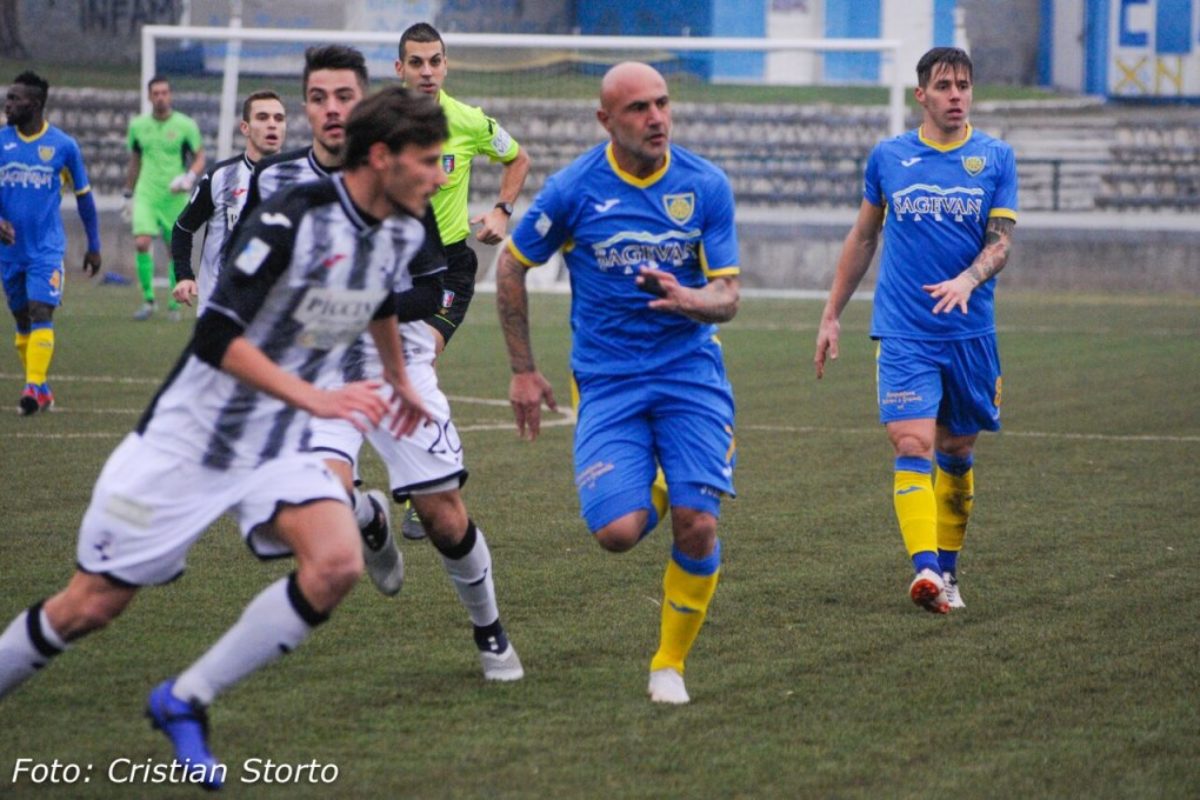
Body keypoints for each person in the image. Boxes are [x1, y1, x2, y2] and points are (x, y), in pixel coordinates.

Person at [0, 85, 447, 789]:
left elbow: (383, 297)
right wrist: (320, 396)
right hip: (189, 443)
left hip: (277, 442)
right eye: (429, 161)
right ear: (384, 157)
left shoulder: (403, 228)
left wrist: (399, 380)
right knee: (89, 606)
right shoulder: (292, 215)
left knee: (335, 565)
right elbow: (215, 336)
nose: (440, 175)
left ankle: (184, 699)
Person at [248, 45, 524, 681]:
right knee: (319, 501)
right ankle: (366, 515)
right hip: (315, 369)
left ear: (367, 99)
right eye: (320, 98)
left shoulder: (403, 179)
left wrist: (356, 305)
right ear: (306, 106)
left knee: (442, 515)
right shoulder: (278, 182)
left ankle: (490, 632)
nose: (334, 109)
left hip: (396, 356)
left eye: (346, 96)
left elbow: (429, 290)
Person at [496, 61, 741, 705]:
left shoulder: (704, 185)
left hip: (690, 374)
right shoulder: (573, 190)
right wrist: (523, 369)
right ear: (606, 120)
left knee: (697, 523)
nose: (656, 118)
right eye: (637, 108)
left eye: (662, 103)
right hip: (606, 382)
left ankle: (669, 665)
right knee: (617, 534)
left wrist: (692, 299)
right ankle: (666, 480)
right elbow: (511, 265)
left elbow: (728, 295)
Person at [812, 47, 1017, 614]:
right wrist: (832, 313)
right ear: (921, 95)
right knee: (911, 443)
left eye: (965, 85)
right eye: (945, 85)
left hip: (970, 332)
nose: (956, 95)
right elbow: (863, 238)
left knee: (956, 451)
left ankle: (948, 572)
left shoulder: (995, 158)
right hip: (904, 330)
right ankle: (924, 567)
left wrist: (967, 280)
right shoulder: (889, 158)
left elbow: (1000, 243)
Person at [394, 21, 531, 538]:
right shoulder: (380, 126)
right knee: (388, 372)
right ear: (399, 68)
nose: (427, 71)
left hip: (449, 265)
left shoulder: (469, 121)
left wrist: (501, 210)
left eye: (435, 61)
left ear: (446, 65)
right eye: (416, 62)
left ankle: (422, 485)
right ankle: (414, 478)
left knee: (418, 357)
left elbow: (518, 157)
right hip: (393, 266)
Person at [0, 71, 101, 415]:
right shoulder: (1, 141)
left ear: (36, 104)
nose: (7, 104)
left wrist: (94, 245)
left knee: (40, 310)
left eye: (14, 99)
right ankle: (41, 389)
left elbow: (85, 198)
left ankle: (30, 390)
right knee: (22, 323)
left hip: (46, 249)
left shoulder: (63, 146)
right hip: (10, 252)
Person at [170, 89, 286, 313]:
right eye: (262, 118)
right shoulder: (221, 177)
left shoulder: (298, 181)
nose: (272, 124)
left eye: (278, 118)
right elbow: (182, 228)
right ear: (245, 128)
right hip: (219, 306)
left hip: (273, 311)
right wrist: (184, 275)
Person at [124, 75, 205, 321]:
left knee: (175, 250)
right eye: (155, 93)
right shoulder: (138, 126)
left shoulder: (186, 125)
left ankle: (173, 304)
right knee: (141, 242)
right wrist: (128, 193)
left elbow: (200, 156)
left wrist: (189, 177)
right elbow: (135, 161)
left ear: (170, 95)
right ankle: (149, 300)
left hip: (174, 196)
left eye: (164, 92)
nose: (160, 97)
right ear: (149, 96)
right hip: (147, 194)